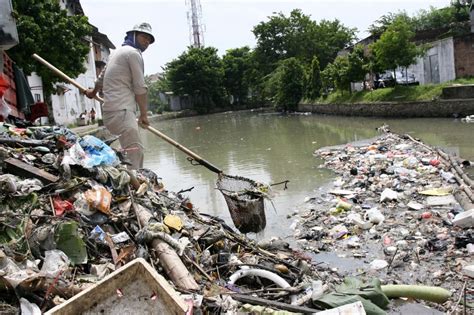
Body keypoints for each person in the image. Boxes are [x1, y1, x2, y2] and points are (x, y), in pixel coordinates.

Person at [85, 22, 155, 170]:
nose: (147, 42)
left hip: (110, 114)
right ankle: (136, 189)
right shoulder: (133, 53)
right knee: (135, 153)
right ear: (133, 35)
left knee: (127, 152)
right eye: (144, 37)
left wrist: (93, 92)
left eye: (149, 40)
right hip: (122, 112)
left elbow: (101, 79)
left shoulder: (116, 53)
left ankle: (128, 180)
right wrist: (143, 114)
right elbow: (140, 87)